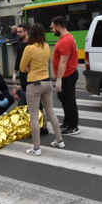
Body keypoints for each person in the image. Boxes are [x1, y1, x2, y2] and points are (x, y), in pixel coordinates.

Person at [19, 23, 64, 155]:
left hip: (34, 83)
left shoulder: (29, 48)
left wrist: (27, 68)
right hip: (47, 82)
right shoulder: (46, 47)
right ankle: (59, 140)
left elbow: (22, 68)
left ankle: (36, 148)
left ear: (31, 34)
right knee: (51, 111)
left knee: (34, 116)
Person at [50, 16, 80, 135]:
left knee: (69, 101)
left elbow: (63, 62)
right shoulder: (67, 37)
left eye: (53, 28)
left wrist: (59, 79)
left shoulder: (65, 41)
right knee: (63, 99)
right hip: (66, 75)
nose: (52, 31)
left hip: (67, 75)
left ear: (58, 27)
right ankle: (67, 121)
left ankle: (74, 126)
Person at [12, 24, 28, 105]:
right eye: (17, 32)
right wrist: (15, 72)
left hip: (30, 73)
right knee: (24, 92)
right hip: (22, 73)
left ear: (26, 32)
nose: (18, 33)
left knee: (32, 94)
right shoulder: (19, 44)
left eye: (20, 32)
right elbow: (18, 59)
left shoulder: (31, 44)